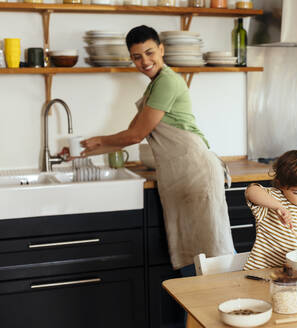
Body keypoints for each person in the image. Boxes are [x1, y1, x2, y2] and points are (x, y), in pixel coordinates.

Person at [80, 25, 235, 274]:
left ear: (161, 49)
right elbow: (129, 134)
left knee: (212, 256)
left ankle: (224, 311)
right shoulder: (154, 86)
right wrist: (84, 151)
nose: (145, 61)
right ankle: (195, 313)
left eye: (150, 52)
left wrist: (98, 139)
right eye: (137, 57)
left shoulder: (167, 83)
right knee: (195, 258)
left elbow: (135, 135)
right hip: (181, 175)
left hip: (195, 173)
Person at [243, 150, 297, 270]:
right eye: (296, 192)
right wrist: (279, 207)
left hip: (292, 272)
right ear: (281, 185)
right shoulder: (273, 199)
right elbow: (251, 191)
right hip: (262, 272)